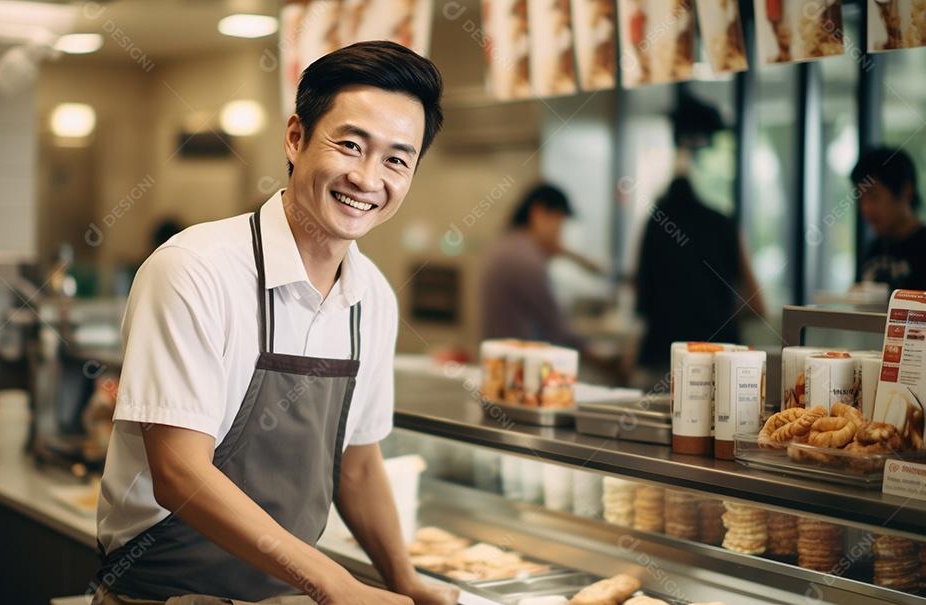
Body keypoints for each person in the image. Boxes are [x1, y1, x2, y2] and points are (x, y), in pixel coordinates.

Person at [93, 41, 456, 605]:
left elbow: (357, 469)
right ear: (296, 137)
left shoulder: (374, 299)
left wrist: (403, 580)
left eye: (396, 160)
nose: (367, 178)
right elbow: (179, 474)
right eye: (351, 145)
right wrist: (334, 583)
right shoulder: (194, 269)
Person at [634, 177, 765, 377]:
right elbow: (757, 306)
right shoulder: (724, 223)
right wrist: (722, 316)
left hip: (664, 358)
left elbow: (643, 297)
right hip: (722, 358)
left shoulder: (655, 225)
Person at [480, 183, 599, 350]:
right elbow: (559, 331)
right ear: (538, 213)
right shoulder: (526, 260)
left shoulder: (506, 246)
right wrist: (605, 357)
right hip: (518, 365)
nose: (560, 231)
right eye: (560, 221)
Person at [851, 147, 926, 291]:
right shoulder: (875, 248)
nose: (866, 209)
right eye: (861, 199)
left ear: (906, 191)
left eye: (873, 196)